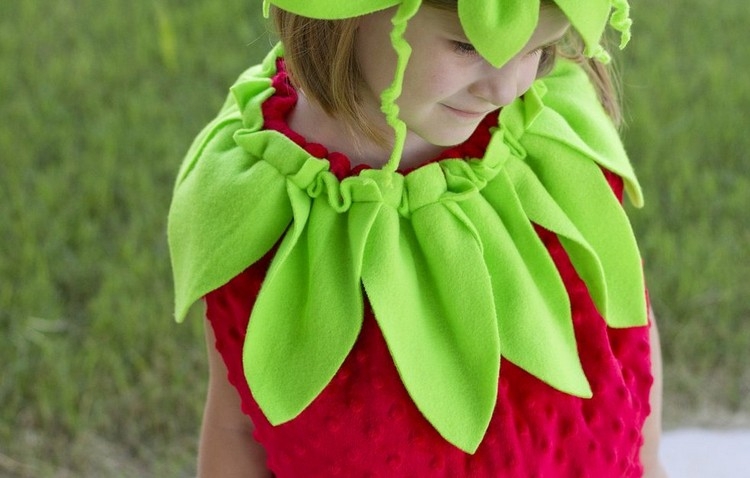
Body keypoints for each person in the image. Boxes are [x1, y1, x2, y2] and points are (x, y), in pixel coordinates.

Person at [168, 0, 668, 476]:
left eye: (541, 49)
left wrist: (648, 465)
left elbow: (624, 329)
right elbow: (236, 425)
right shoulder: (259, 206)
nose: (509, 87)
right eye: (469, 46)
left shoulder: (548, 142)